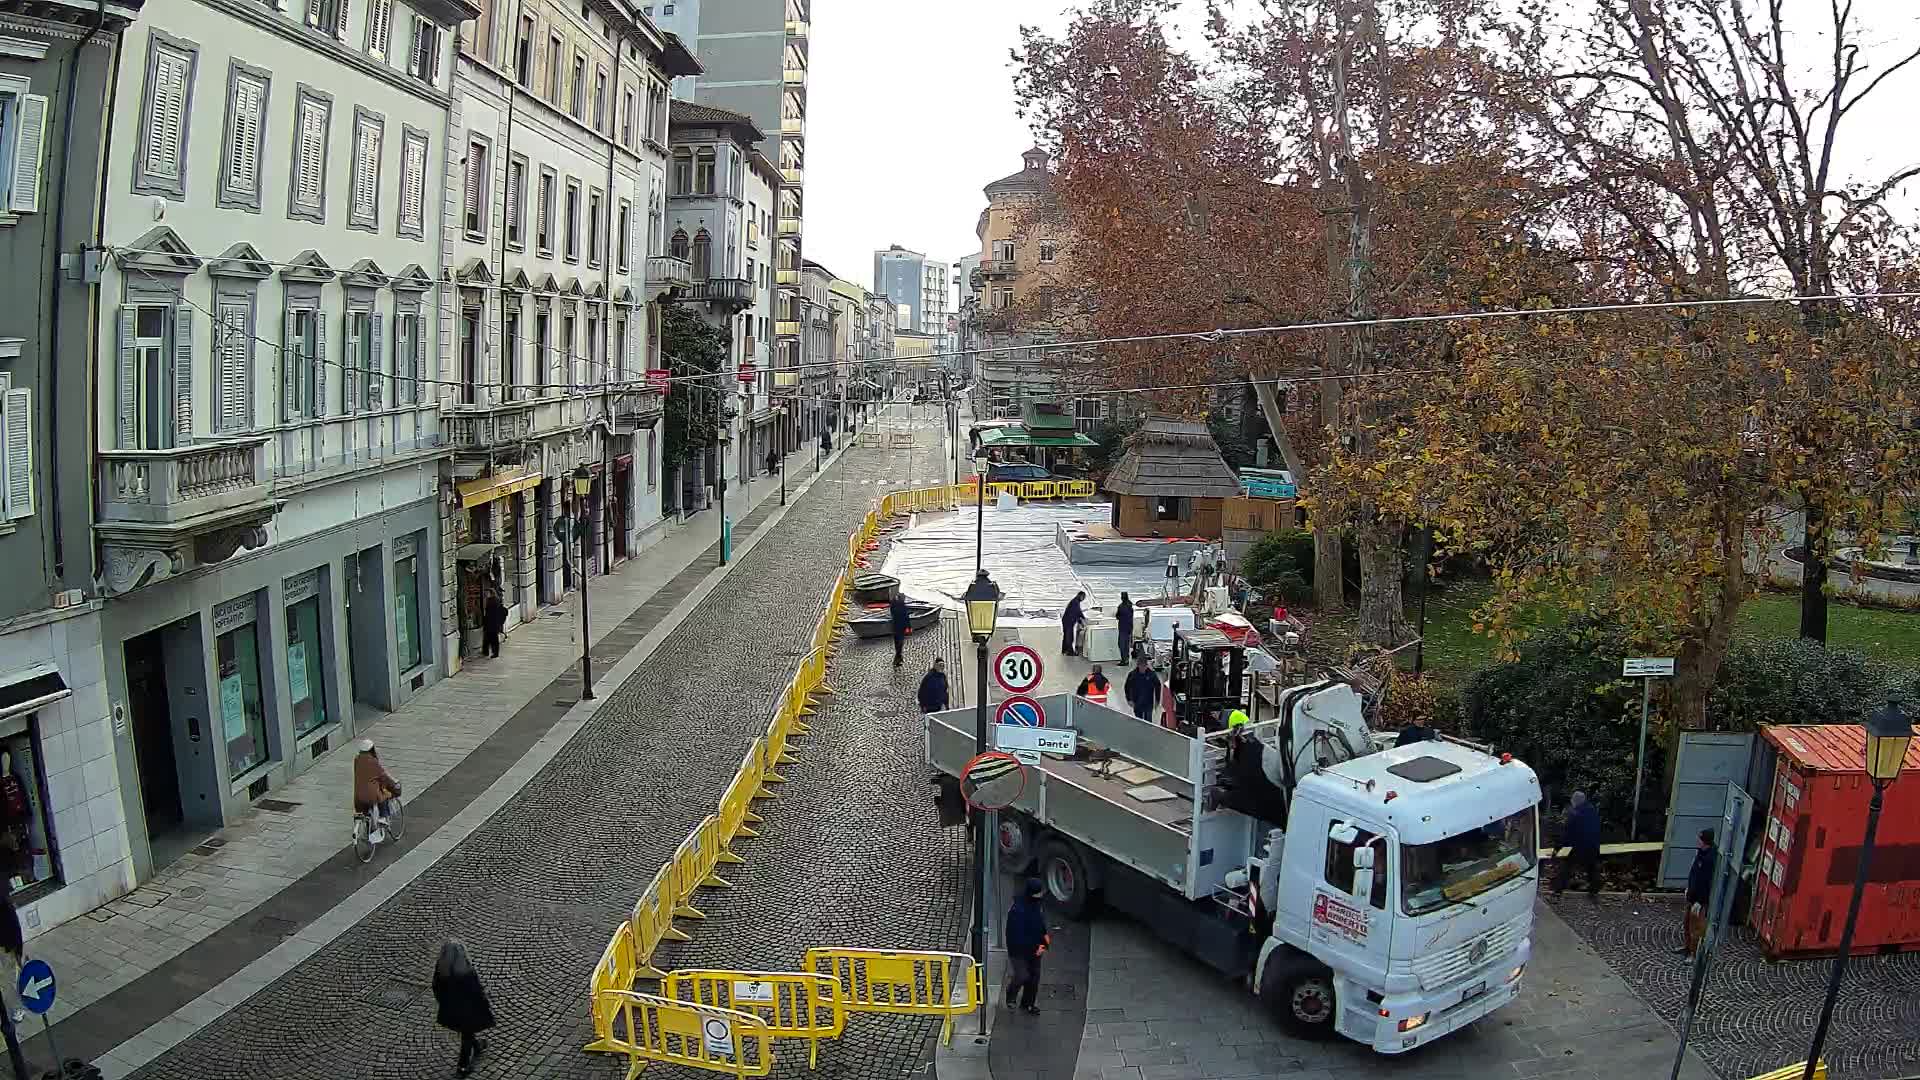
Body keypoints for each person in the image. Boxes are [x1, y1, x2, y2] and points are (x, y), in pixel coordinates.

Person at [432, 938, 496, 1077]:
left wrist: (443, 1002)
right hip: (468, 1009)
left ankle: (477, 1046)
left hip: (450, 1010)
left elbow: (436, 988)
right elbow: (477, 990)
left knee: (467, 1031)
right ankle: (462, 1066)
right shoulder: (466, 972)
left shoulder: (441, 970)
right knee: (467, 1034)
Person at [1004, 878, 1050, 1015]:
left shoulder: (1035, 905)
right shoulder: (1018, 911)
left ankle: (1028, 1004)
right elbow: (1015, 936)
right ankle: (1011, 994)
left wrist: (1044, 943)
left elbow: (1040, 925)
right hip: (1019, 951)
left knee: (1034, 978)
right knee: (1022, 975)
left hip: (1036, 948)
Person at [1550, 791, 1602, 899]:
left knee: (1567, 868)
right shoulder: (1593, 811)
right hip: (1593, 846)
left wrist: (1557, 848)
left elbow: (1567, 834)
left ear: (1575, 801)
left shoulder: (1575, 815)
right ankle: (1594, 890)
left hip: (1578, 847)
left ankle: (1558, 891)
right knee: (1592, 869)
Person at [352, 738, 402, 844]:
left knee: (366, 813)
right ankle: (383, 818)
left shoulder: (356, 760)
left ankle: (368, 833)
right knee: (382, 797)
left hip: (358, 796)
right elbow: (383, 777)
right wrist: (394, 786)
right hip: (371, 794)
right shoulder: (373, 762)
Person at [1678, 829, 1717, 956]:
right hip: (1693, 896)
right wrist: (1689, 889)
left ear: (1705, 842)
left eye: (1700, 839)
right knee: (1687, 923)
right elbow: (1694, 874)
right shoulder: (1701, 853)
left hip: (1699, 900)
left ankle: (1694, 953)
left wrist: (1700, 902)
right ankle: (1687, 947)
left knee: (1696, 928)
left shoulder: (1710, 859)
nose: (1697, 841)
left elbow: (1706, 883)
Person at [1124, 655, 1160, 723]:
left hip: (1148, 702)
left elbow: (1158, 686)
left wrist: (1157, 700)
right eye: (1141, 666)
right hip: (1137, 701)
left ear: (1147, 665)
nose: (1143, 668)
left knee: (1148, 721)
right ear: (1138, 665)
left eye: (1144, 666)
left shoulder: (1152, 675)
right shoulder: (1132, 675)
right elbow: (1127, 687)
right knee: (1138, 721)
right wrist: (1129, 699)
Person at [481, 589, 508, 659]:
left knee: (493, 639)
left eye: (487, 593)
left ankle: (494, 653)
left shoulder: (494, 601)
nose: (486, 594)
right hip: (491, 623)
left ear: (491, 593)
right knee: (487, 638)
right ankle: (486, 651)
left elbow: (493, 614)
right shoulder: (491, 600)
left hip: (493, 623)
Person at [1061, 591, 1087, 656]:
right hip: (1068, 621)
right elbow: (1077, 613)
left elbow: (1077, 612)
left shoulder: (1075, 601)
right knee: (1069, 637)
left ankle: (1064, 650)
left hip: (1067, 620)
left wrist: (1081, 619)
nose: (1083, 599)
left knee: (1066, 636)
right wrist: (1082, 620)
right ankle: (1070, 652)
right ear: (1080, 596)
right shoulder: (1075, 602)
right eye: (1083, 597)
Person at [889, 590, 910, 667]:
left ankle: (898, 658)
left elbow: (892, 609)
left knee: (897, 644)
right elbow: (906, 618)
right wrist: (909, 627)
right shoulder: (902, 606)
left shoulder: (895, 606)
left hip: (896, 627)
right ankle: (898, 658)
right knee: (899, 644)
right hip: (901, 628)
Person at [1115, 592, 1135, 662]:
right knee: (1126, 644)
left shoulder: (1121, 606)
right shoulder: (1130, 606)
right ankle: (1126, 658)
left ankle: (1124, 660)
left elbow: (1117, 616)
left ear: (1122, 597)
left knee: (1121, 644)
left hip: (1123, 627)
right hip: (1129, 627)